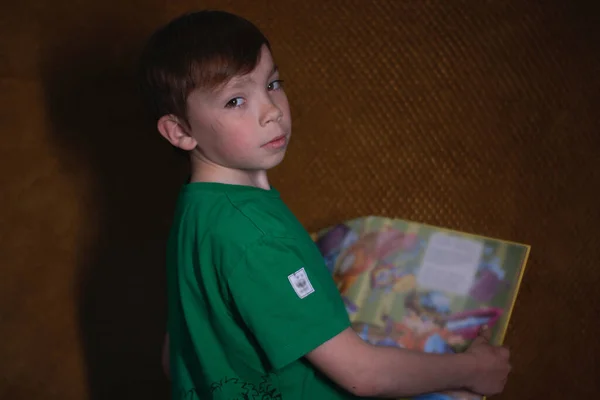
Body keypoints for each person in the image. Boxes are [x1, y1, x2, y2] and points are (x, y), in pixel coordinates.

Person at [138, 10, 511, 400]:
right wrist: (475, 369)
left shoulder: (197, 210)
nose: (272, 110)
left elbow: (174, 356)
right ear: (180, 131)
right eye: (235, 100)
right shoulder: (258, 239)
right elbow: (362, 375)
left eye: (273, 83)